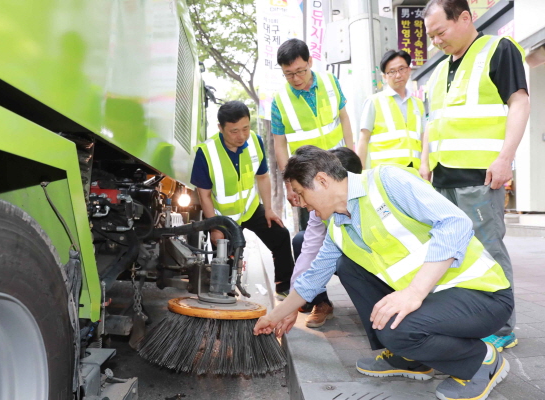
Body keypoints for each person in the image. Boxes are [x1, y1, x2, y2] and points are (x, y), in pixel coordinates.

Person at [255, 145, 513, 400]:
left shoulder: (387, 180)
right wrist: (277, 314)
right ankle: (408, 358)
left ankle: (480, 360)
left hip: (482, 294)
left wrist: (414, 292)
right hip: (434, 299)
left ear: (321, 180)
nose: (301, 203)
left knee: (393, 330)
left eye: (300, 193)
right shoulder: (338, 226)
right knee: (349, 267)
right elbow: (313, 278)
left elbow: (455, 222)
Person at [422, 0, 529, 351]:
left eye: (441, 32)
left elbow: (519, 102)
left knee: (489, 250)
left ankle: (503, 325)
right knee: (452, 254)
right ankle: (469, 319)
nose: (436, 41)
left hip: (480, 176)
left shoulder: (498, 49)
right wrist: (425, 162)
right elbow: (432, 123)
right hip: (442, 178)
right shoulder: (439, 71)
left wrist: (505, 157)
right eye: (431, 35)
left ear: (465, 18)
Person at [190, 101, 294, 297]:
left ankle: (284, 287)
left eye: (246, 128)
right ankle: (227, 296)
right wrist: (215, 228)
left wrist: (269, 209)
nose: (242, 136)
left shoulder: (255, 141)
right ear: (220, 128)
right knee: (225, 265)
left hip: (250, 209)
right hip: (223, 218)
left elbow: (262, 177)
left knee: (281, 234)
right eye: (234, 131)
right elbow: (204, 195)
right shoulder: (206, 152)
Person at [271, 38, 354, 229]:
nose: (296, 79)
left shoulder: (330, 81)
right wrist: (289, 184)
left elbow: (344, 118)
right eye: (289, 74)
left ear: (310, 61)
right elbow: (279, 144)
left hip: (339, 169)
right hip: (306, 178)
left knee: (349, 224)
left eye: (300, 71)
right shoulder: (279, 100)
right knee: (313, 232)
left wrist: (352, 156)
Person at [291, 148, 362, 328]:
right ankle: (320, 302)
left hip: (365, 261)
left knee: (347, 264)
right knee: (301, 241)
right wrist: (291, 302)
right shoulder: (318, 210)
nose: (302, 203)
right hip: (339, 254)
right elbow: (310, 250)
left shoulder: (371, 199)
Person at [357, 50, 424, 170]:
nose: (398, 75)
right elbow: (363, 139)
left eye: (401, 69)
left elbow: (423, 138)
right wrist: (360, 173)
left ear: (409, 70)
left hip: (415, 171)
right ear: (384, 77)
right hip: (385, 174)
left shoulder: (417, 104)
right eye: (392, 72)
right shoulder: (374, 102)